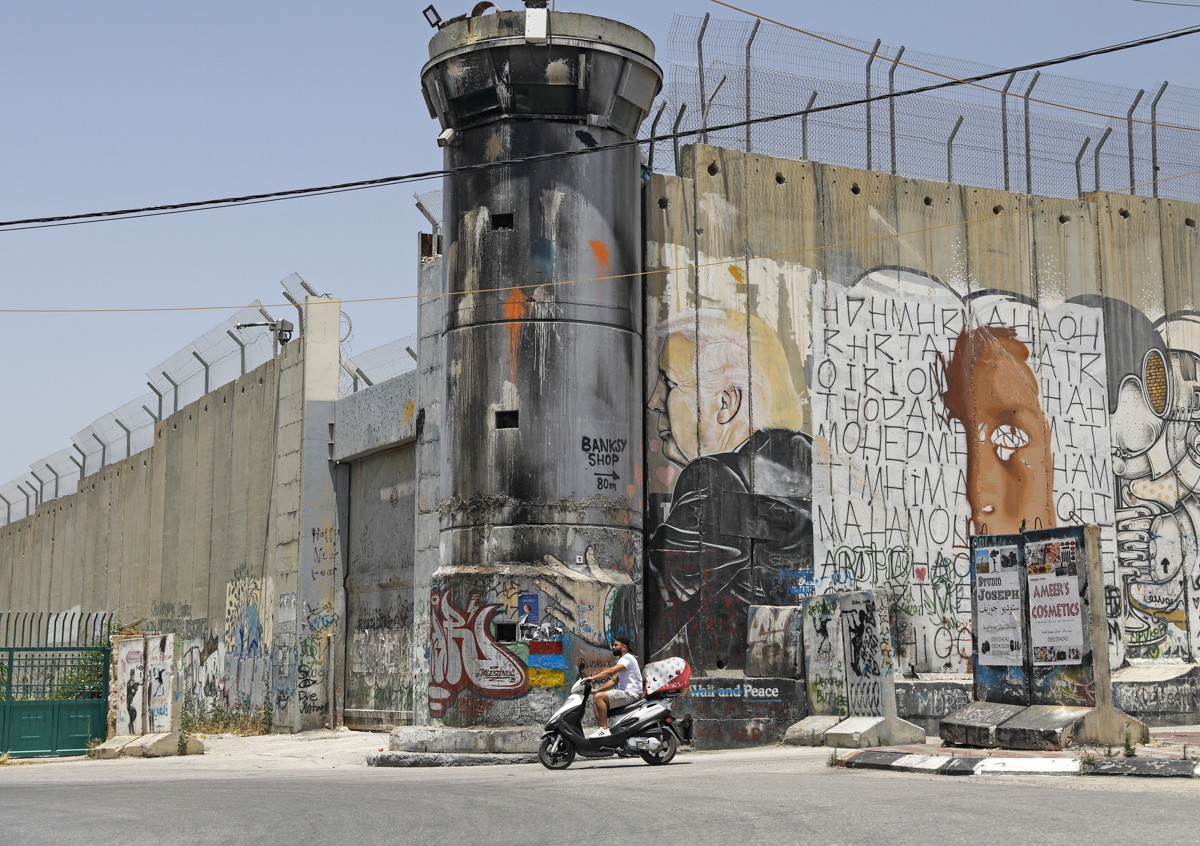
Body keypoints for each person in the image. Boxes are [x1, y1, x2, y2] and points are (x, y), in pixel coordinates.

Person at [584, 635, 642, 737]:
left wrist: (592, 678)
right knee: (596, 705)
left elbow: (611, 671)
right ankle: (606, 733)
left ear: (624, 647)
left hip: (631, 694)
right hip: (627, 693)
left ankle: (604, 729)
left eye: (616, 645)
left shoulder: (627, 658)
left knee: (599, 698)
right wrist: (597, 690)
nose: (613, 647)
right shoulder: (623, 661)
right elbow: (613, 681)